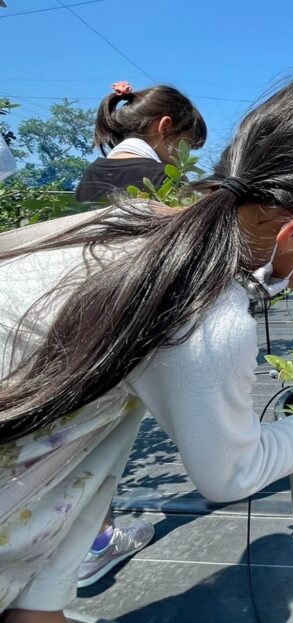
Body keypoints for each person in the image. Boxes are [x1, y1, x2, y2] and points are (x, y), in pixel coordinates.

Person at [0, 78, 293, 621]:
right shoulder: (204, 314)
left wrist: (45, 600)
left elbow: (94, 441)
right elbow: (233, 473)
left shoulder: (131, 230)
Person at [73, 81, 208, 587]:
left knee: (79, 438)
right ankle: (95, 543)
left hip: (74, 319)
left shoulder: (91, 175)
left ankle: (84, 535)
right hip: (123, 328)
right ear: (165, 128)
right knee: (105, 438)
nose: (181, 160)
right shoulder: (155, 178)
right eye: (182, 149)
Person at [75, 82, 207, 203]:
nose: (186, 155)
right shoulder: (167, 179)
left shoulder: (91, 174)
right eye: (187, 145)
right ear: (165, 128)